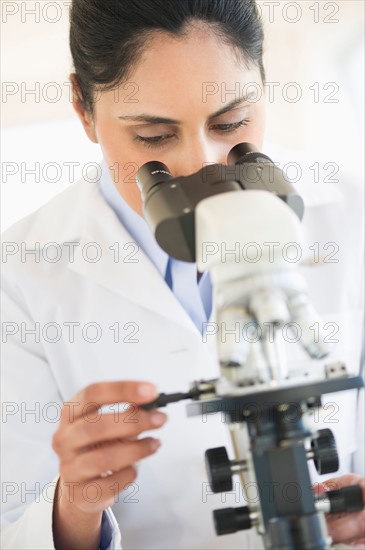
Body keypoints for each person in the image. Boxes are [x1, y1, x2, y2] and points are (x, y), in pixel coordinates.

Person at [1, 1, 364, 549]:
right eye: (153, 137)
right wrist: (73, 506)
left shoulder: (349, 212)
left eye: (232, 123)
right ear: (82, 108)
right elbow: (14, 526)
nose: (203, 163)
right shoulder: (22, 274)